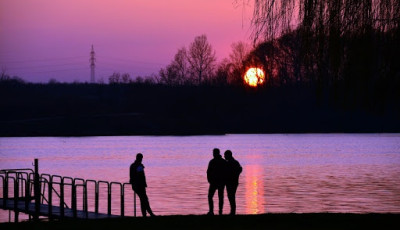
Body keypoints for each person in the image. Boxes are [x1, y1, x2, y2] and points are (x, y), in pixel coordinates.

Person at [130, 153, 155, 217]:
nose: (141, 160)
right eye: (141, 158)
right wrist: (144, 184)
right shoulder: (138, 166)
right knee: (144, 199)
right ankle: (150, 213)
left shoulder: (133, 165)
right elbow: (141, 176)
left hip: (136, 185)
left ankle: (145, 214)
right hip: (139, 186)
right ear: (139, 158)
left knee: (143, 200)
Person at [207, 148, 227, 215]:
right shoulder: (223, 161)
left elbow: (208, 172)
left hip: (215, 182)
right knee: (220, 197)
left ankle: (212, 211)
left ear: (215, 153)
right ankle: (219, 212)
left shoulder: (212, 161)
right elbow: (208, 172)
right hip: (218, 182)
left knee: (211, 196)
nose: (213, 154)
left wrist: (209, 180)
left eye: (213, 153)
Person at [224, 150, 242, 215]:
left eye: (225, 155)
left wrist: (234, 175)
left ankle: (233, 211)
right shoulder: (234, 162)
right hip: (232, 182)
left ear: (229, 155)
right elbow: (240, 169)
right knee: (231, 196)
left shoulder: (232, 162)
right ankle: (232, 211)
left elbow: (240, 169)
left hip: (232, 182)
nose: (224, 156)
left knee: (231, 196)